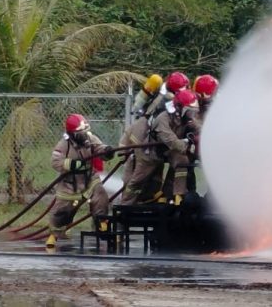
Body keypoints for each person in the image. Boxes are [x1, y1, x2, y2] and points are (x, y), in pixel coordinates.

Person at [118, 72, 190, 203]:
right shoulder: (165, 105)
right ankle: (125, 207)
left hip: (151, 141)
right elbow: (169, 137)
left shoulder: (165, 97)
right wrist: (186, 143)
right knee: (137, 179)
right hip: (145, 144)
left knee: (155, 178)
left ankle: (156, 198)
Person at [46, 114, 115, 249]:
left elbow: (99, 148)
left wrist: (107, 151)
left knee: (100, 196)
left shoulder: (90, 138)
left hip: (90, 179)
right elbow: (55, 162)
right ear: (72, 134)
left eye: (85, 131)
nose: (84, 134)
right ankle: (53, 235)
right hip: (70, 184)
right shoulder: (63, 144)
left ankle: (102, 223)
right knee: (62, 210)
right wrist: (71, 165)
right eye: (80, 132)